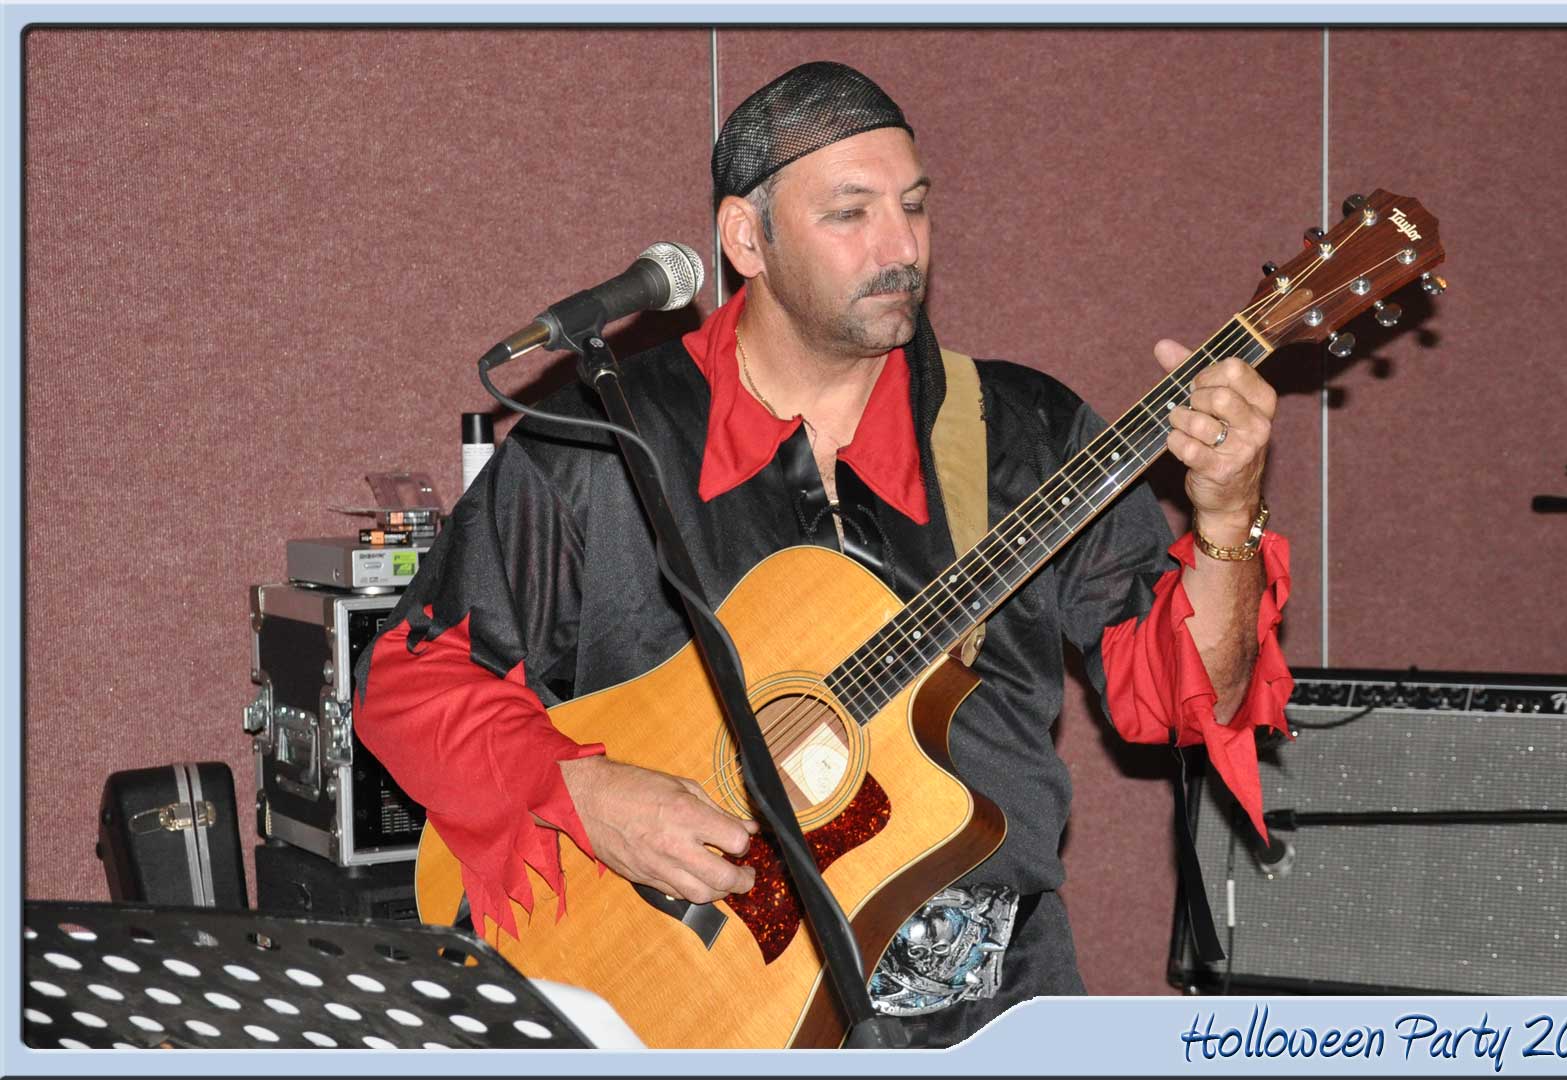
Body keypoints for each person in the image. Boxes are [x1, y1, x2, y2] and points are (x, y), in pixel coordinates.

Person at [353, 60, 1293, 1048]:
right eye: (851, 214)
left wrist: (1228, 522)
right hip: (699, 1008)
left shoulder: (1024, 434)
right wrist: (588, 795)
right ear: (745, 238)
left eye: (915, 207)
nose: (902, 247)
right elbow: (411, 681)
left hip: (996, 1011)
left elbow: (1187, 698)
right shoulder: (605, 442)